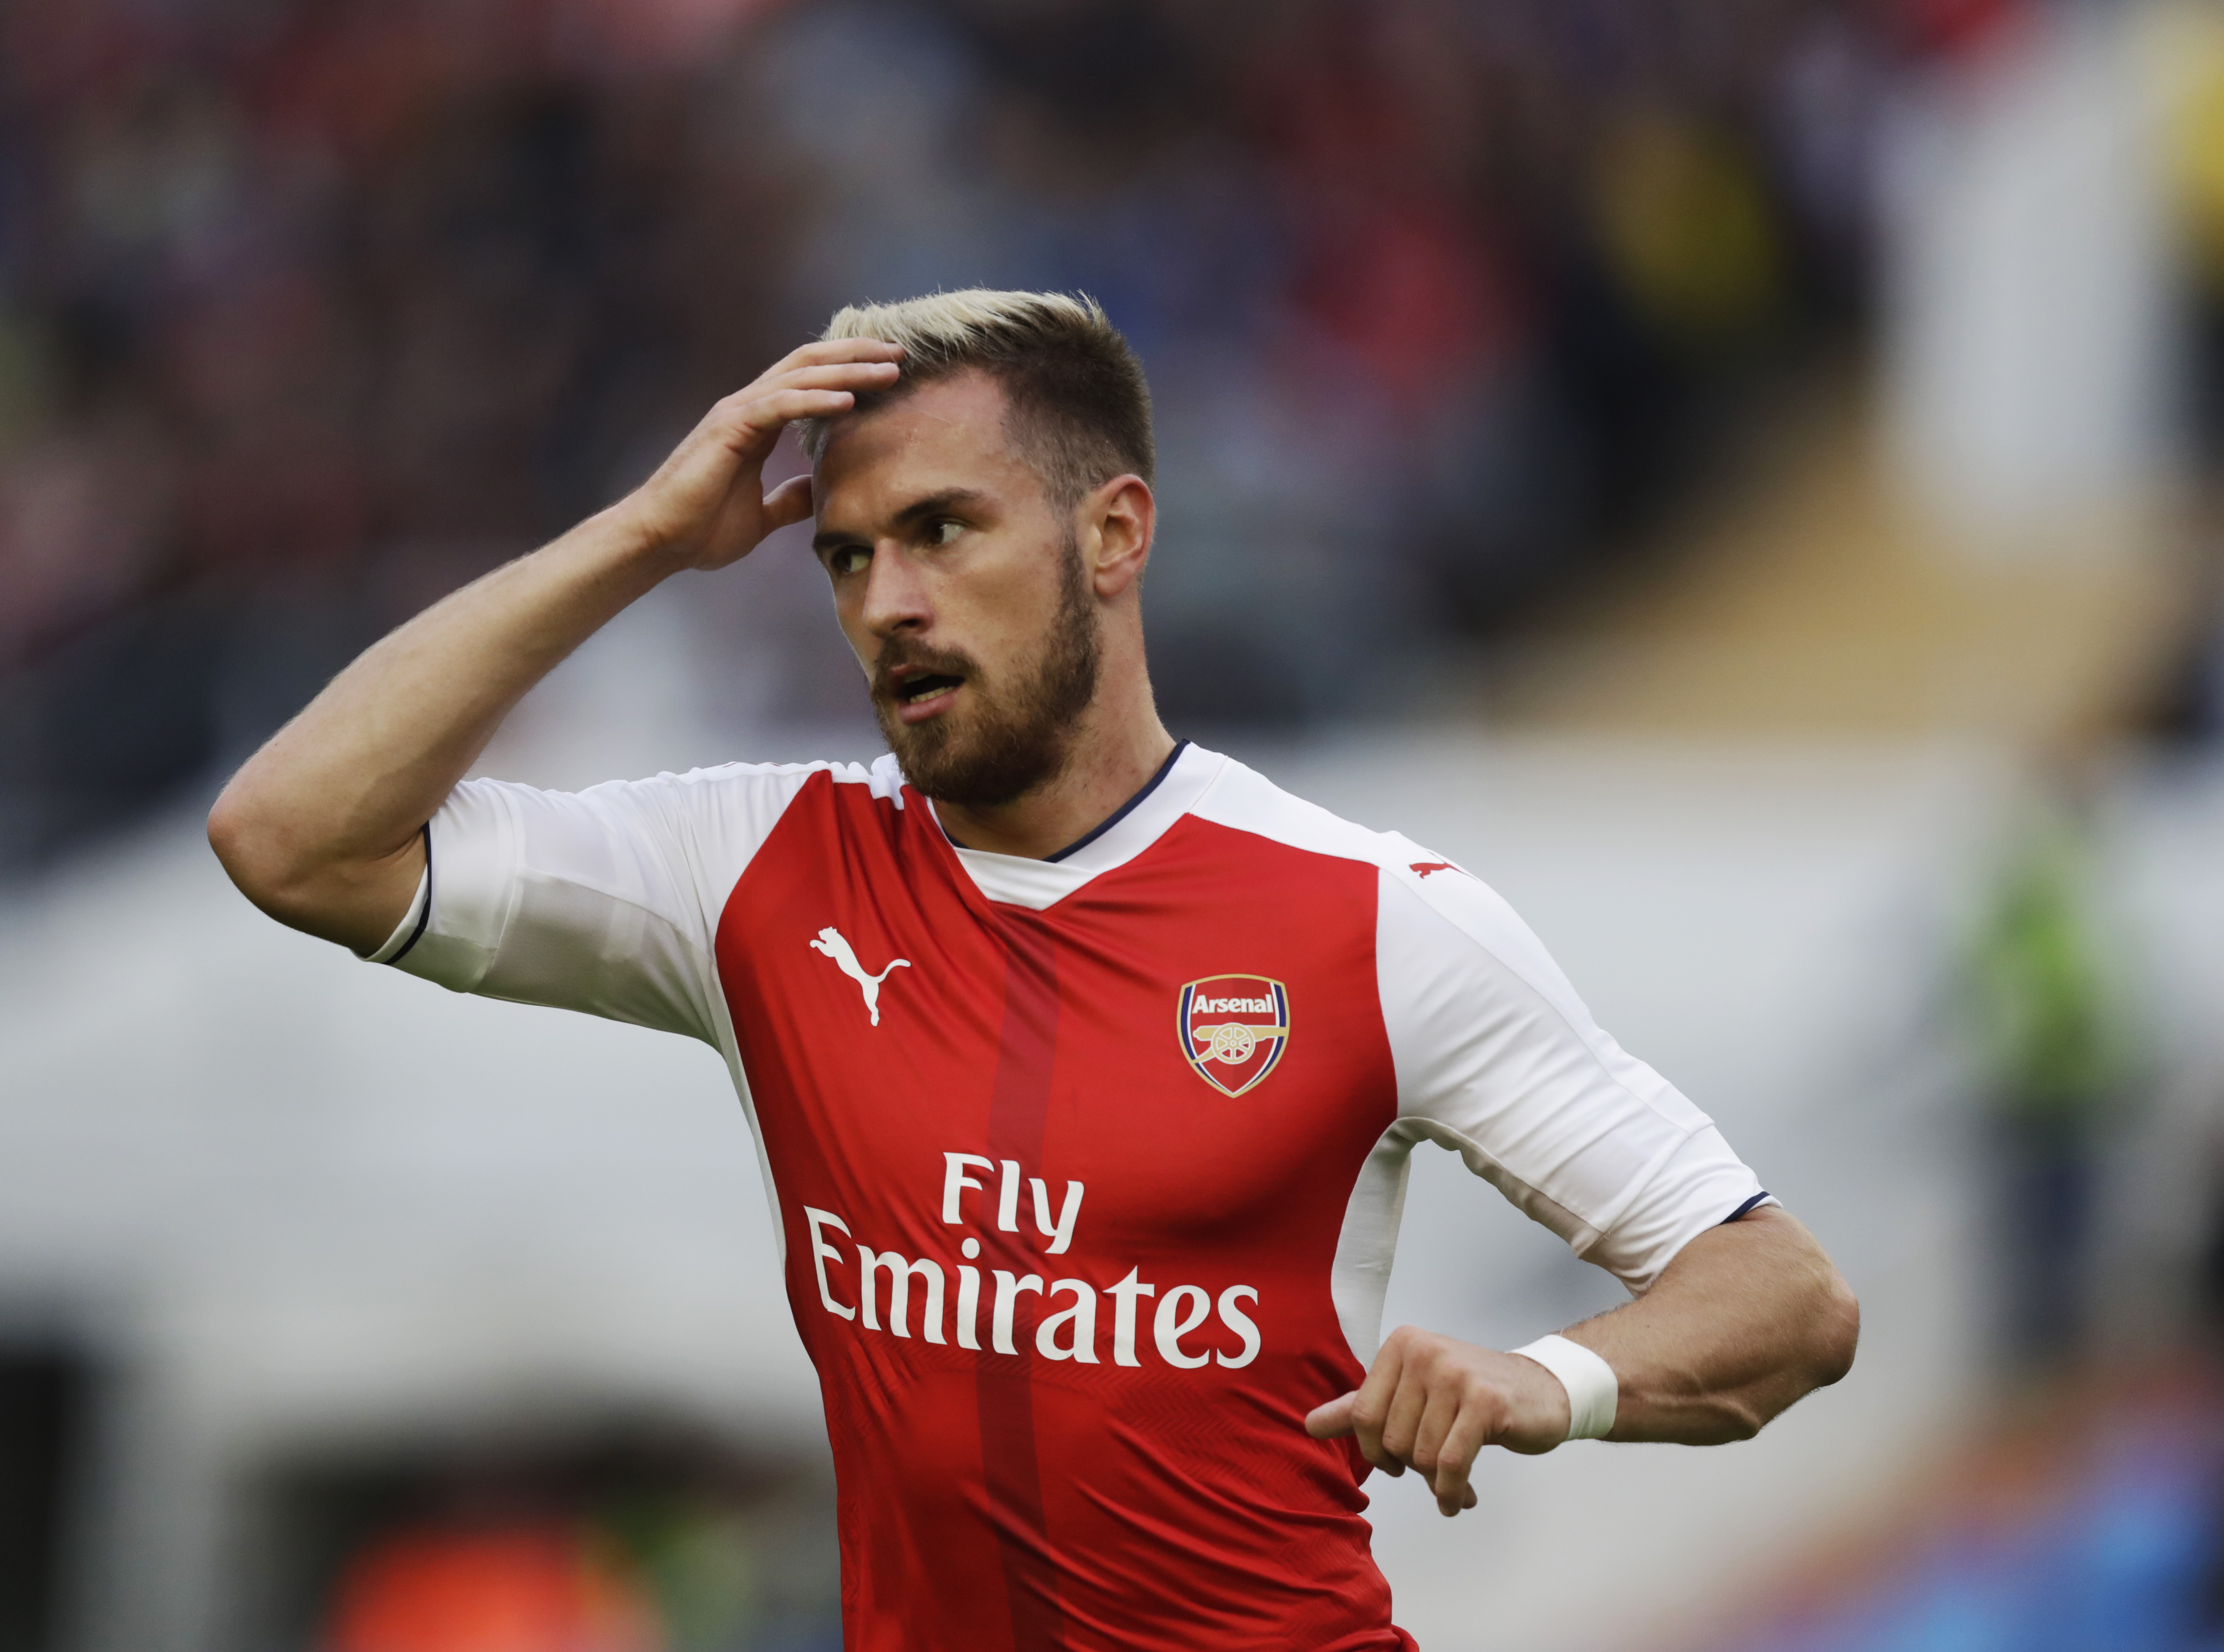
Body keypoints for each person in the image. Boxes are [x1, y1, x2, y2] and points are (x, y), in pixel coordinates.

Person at [209, 290, 1860, 1652]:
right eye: (845, 558)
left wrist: (1544, 1380)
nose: (889, 606)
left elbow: (1788, 1305)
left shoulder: (1370, 920)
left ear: (1114, 533)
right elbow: (294, 838)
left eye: (942, 532)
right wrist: (646, 535)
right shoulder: (754, 869)